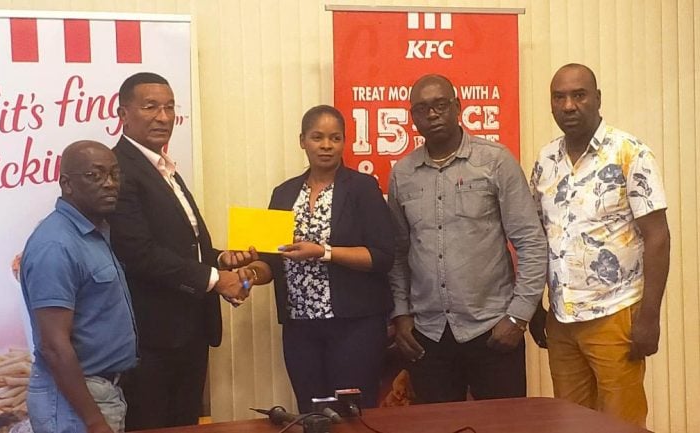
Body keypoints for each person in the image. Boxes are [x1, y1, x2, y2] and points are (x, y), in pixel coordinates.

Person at [107, 72, 255, 429]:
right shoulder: (119, 168)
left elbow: (183, 242)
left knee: (186, 423)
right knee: (153, 424)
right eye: (151, 107)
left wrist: (221, 258)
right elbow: (137, 252)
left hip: (188, 331)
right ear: (123, 112)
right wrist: (217, 279)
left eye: (170, 107)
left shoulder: (162, 166)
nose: (163, 116)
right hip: (152, 337)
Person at [388, 74, 548, 403]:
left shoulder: (495, 161)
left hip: (492, 330)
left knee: (504, 429)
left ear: (458, 107)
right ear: (412, 117)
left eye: (440, 105)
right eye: (421, 109)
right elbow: (398, 254)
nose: (431, 114)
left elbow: (531, 242)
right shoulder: (402, 174)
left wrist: (518, 317)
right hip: (429, 336)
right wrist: (401, 316)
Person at [529, 63, 670, 426]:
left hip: (615, 313)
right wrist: (535, 306)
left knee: (621, 423)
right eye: (559, 97)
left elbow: (658, 236)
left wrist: (650, 318)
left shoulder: (630, 153)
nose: (569, 105)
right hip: (561, 318)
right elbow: (537, 237)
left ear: (597, 98)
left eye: (579, 95)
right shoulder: (546, 161)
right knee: (572, 421)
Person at [242, 105, 395, 413]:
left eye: (335, 138)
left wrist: (323, 252)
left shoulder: (362, 188)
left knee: (351, 414)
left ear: (344, 142)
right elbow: (272, 262)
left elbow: (382, 256)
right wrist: (246, 273)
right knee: (311, 413)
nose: (326, 145)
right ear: (303, 141)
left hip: (355, 325)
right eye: (317, 137)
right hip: (300, 328)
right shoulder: (283, 194)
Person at [20, 140, 136, 433]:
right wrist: (95, 421)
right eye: (94, 175)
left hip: (101, 391)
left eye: (114, 174)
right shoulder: (56, 244)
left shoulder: (92, 233)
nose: (109, 184)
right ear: (66, 184)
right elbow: (54, 346)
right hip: (74, 403)